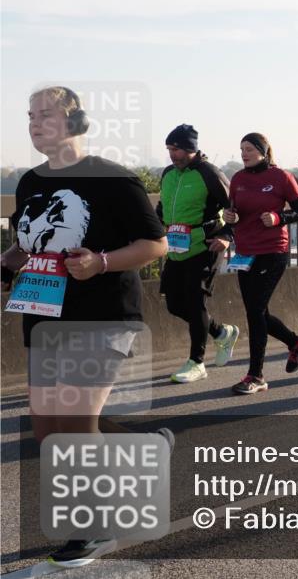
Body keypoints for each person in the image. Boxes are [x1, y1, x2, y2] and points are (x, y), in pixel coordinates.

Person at [1, 86, 168, 567]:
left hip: (103, 316)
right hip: (43, 315)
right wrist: (7, 263)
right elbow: (25, 244)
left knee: (74, 426)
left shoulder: (114, 179)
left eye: (45, 114)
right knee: (47, 431)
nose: (34, 123)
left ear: (75, 119)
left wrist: (101, 261)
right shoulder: (30, 181)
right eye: (29, 115)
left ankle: (94, 527)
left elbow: (156, 244)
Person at [222, 133, 298, 394]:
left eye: (249, 149)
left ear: (262, 150)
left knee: (255, 311)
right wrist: (230, 217)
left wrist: (278, 218)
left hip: (273, 251)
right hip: (245, 253)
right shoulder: (237, 179)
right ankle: (295, 342)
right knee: (257, 311)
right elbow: (233, 213)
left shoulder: (281, 177)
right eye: (241, 149)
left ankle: (256, 376)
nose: (244, 154)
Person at [157, 124, 240, 382]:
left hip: (205, 245)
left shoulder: (209, 173)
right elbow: (163, 207)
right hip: (176, 246)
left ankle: (197, 362)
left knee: (195, 301)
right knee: (173, 303)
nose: (172, 154)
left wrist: (227, 237)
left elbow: (236, 208)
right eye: (170, 149)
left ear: (191, 149)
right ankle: (221, 333)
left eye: (177, 149)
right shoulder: (168, 173)